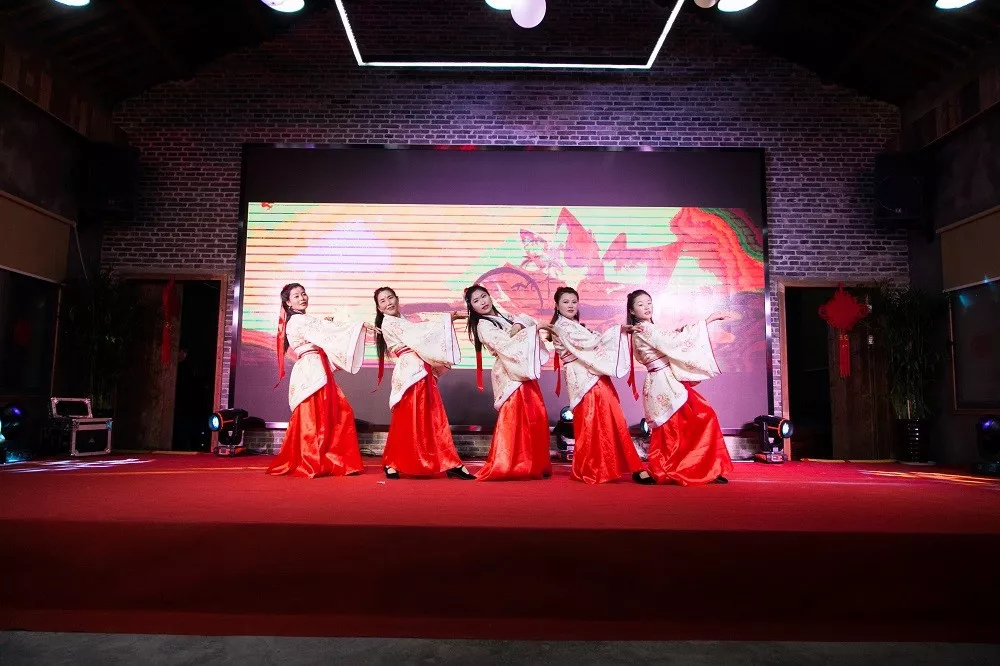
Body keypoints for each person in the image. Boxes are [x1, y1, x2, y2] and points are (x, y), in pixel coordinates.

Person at [626, 289, 734, 485]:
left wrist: (685, 330)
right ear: (632, 311)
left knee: (696, 419)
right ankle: (672, 469)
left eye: (649, 302)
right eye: (640, 304)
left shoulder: (648, 329)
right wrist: (707, 321)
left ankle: (704, 467)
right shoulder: (644, 329)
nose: (647, 307)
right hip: (663, 383)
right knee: (676, 428)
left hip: (667, 381)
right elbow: (675, 341)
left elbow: (670, 338)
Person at [549, 286, 654, 485]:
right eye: (566, 302)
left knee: (613, 418)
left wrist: (618, 332)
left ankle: (630, 466)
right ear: (557, 305)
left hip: (593, 373)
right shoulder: (562, 327)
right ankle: (597, 466)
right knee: (593, 422)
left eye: (574, 302)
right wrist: (619, 330)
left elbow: (594, 340)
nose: (571, 305)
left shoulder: (574, 326)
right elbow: (591, 343)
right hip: (583, 378)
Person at [267, 282, 369, 478]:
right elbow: (324, 331)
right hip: (310, 370)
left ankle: (335, 462)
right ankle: (314, 462)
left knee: (336, 413)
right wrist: (357, 326)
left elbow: (321, 331)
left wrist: (325, 324)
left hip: (316, 367)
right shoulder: (297, 321)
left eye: (303, 294)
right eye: (296, 296)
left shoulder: (303, 320)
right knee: (315, 417)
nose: (302, 298)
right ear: (288, 303)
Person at [373, 286, 475, 480]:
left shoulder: (403, 321)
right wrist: (446, 320)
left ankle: (451, 461)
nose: (388, 303)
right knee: (407, 420)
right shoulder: (389, 323)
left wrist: (447, 320)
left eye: (390, 298)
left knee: (433, 418)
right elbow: (420, 333)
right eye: (383, 301)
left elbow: (420, 334)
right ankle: (392, 462)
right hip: (409, 374)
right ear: (379, 308)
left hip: (421, 371)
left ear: (397, 298)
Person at [465, 284, 552, 481]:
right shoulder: (483, 326)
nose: (482, 302)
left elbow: (526, 319)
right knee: (515, 420)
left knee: (535, 417)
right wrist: (523, 329)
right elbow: (506, 345)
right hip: (509, 372)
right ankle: (511, 464)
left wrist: (520, 325)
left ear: (490, 296)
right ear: (472, 307)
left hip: (522, 370)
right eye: (476, 301)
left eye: (483, 296)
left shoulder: (505, 316)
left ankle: (536, 464)